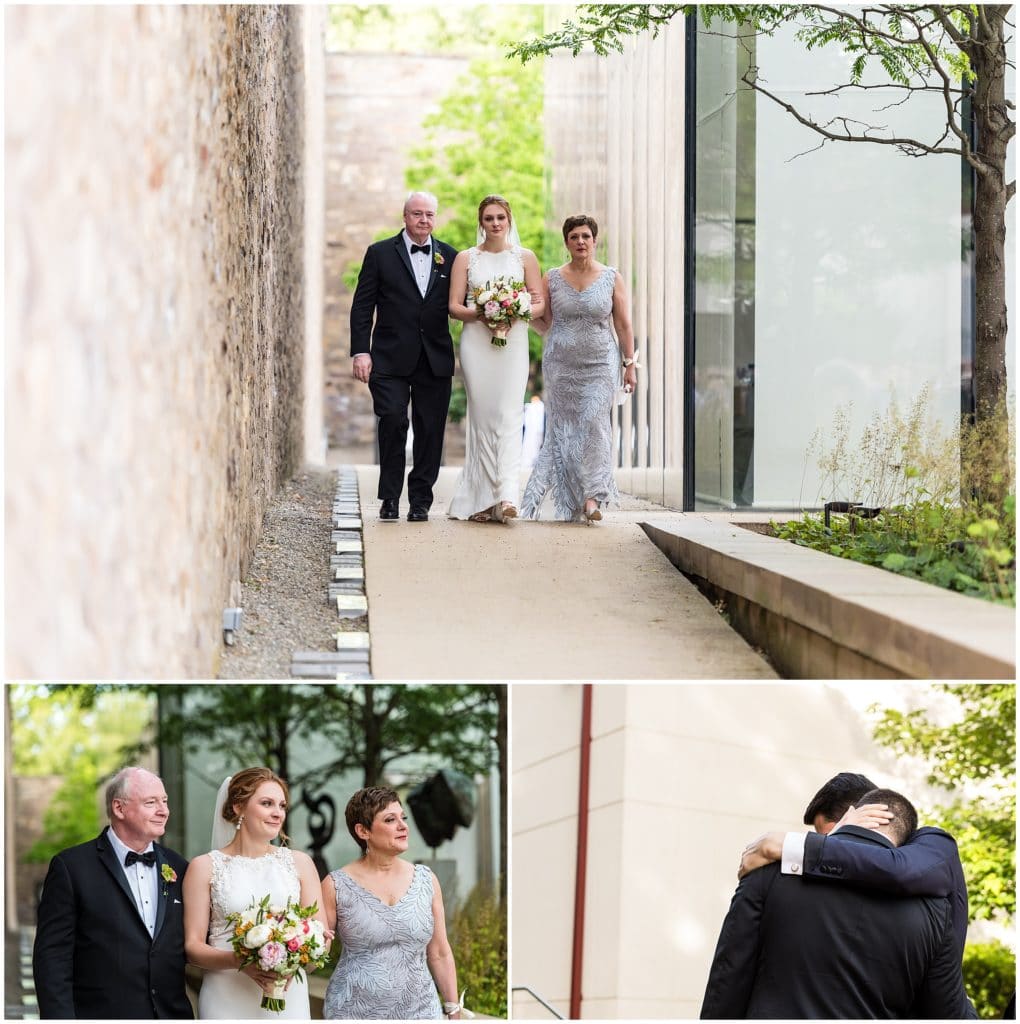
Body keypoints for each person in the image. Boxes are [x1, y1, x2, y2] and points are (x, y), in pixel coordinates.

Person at [701, 788, 976, 1019]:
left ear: (851, 817)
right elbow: (946, 1012)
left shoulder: (767, 873)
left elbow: (728, 979)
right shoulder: (933, 910)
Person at [739, 770, 973, 972]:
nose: (833, 843)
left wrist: (791, 845)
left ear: (874, 815)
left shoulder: (934, 844)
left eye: (833, 835)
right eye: (828, 838)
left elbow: (899, 870)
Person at [32, 766, 193, 1019]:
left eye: (164, 801)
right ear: (119, 808)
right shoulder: (71, 867)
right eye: (151, 802)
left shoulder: (180, 867)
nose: (164, 811)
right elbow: (52, 959)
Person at [350, 191, 459, 523]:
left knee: (430, 430)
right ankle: (389, 497)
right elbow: (363, 306)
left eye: (429, 214)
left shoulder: (451, 257)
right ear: (405, 216)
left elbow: (462, 303)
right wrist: (361, 351)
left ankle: (421, 500)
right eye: (417, 214)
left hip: (434, 359)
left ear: (435, 218)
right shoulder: (380, 253)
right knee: (393, 421)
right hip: (389, 358)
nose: (423, 220)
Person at [183, 767, 327, 1019]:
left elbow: (320, 937)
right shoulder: (204, 867)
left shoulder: (300, 863)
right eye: (266, 803)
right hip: (225, 996)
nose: (277, 813)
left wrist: (303, 956)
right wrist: (237, 960)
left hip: (288, 995)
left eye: (282, 805)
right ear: (238, 807)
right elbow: (192, 947)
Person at [521, 214, 637, 524]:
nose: (581, 241)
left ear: (595, 241)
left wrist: (629, 364)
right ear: (567, 242)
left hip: (600, 364)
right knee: (565, 431)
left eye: (586, 236)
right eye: (574, 237)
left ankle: (592, 496)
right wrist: (517, 311)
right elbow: (543, 321)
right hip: (561, 365)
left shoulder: (612, 277)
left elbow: (623, 325)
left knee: (594, 423)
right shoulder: (551, 278)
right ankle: (573, 498)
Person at [321, 787, 463, 1020]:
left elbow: (439, 952)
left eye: (402, 818)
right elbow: (318, 950)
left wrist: (453, 1008)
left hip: (421, 1013)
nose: (403, 826)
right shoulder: (335, 885)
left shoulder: (426, 880)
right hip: (352, 1013)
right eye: (390, 819)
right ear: (363, 831)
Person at [447, 195, 544, 523]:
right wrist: (484, 313)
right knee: (483, 418)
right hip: (477, 343)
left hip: (513, 342)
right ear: (481, 222)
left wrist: (515, 310)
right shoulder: (466, 258)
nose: (495, 223)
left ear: (509, 219)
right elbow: (454, 306)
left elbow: (540, 303)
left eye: (500, 217)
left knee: (509, 414)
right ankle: (482, 499)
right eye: (489, 218)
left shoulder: (525, 257)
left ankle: (506, 495)